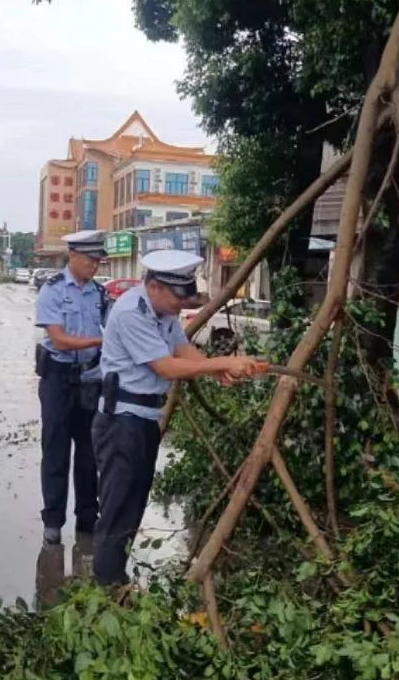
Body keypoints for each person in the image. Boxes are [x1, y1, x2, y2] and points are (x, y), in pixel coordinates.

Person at [93, 249, 265, 586]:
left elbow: (183, 351)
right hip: (120, 423)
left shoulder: (163, 314)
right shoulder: (132, 312)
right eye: (177, 296)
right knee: (116, 508)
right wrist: (220, 364)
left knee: (134, 505)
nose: (182, 304)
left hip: (141, 421)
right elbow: (167, 367)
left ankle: (116, 576)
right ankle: (105, 584)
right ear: (155, 286)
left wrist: (219, 372)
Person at [34, 229, 109, 545]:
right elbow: (60, 340)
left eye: (98, 261)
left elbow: (113, 326)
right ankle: (53, 520)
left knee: (89, 454)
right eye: (90, 260)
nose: (94, 266)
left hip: (90, 381)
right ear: (74, 257)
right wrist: (99, 340)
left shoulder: (99, 293)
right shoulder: (52, 291)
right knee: (56, 451)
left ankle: (87, 518)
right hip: (58, 380)